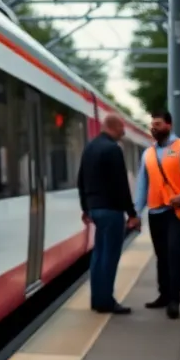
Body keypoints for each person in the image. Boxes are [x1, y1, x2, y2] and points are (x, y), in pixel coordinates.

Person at [133, 111, 180, 319]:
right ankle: (164, 295)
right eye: (152, 125)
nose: (153, 128)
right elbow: (142, 185)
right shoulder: (147, 154)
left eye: (158, 124)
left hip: (176, 212)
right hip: (155, 212)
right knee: (161, 256)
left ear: (169, 125)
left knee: (174, 253)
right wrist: (136, 213)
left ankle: (175, 301)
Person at [77, 113, 140, 314]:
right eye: (122, 129)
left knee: (98, 255)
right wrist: (132, 213)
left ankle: (97, 299)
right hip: (111, 210)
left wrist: (86, 208)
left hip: (95, 209)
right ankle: (106, 301)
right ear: (113, 127)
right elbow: (120, 184)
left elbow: (81, 180)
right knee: (110, 256)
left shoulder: (89, 148)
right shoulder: (113, 149)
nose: (123, 132)